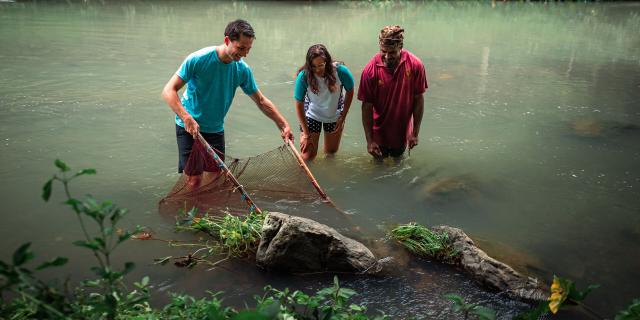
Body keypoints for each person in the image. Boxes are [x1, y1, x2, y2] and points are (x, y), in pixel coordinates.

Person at [161, 19, 293, 174]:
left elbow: (261, 101)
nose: (244, 54)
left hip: (215, 129)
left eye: (248, 49)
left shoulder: (242, 69)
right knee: (194, 180)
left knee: (215, 178)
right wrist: (186, 117)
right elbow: (168, 90)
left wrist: (283, 125)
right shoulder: (198, 59)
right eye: (241, 48)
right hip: (189, 127)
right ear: (227, 40)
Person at [358, 25, 428, 160]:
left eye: (392, 52)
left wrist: (415, 133)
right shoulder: (370, 71)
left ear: (400, 47)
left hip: (402, 131)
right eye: (383, 51)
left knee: (398, 163)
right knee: (378, 166)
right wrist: (369, 141)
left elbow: (418, 98)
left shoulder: (415, 65)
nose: (387, 56)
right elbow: (366, 106)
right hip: (378, 131)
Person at [294, 44, 355, 161]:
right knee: (308, 156)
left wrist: (343, 116)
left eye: (321, 65)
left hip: (334, 114)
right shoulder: (304, 76)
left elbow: (350, 91)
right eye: (313, 66)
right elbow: (299, 103)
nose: (317, 70)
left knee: (330, 153)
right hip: (311, 113)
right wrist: (306, 134)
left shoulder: (340, 71)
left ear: (327, 61)